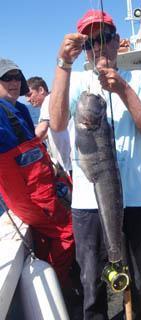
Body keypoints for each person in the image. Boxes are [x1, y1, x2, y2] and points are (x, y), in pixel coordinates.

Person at [49, 9, 141, 320]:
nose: (98, 47)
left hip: (135, 202)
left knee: (137, 280)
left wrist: (123, 90)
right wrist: (63, 64)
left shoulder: (137, 79)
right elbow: (57, 123)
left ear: (117, 42)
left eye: (104, 39)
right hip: (88, 205)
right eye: (90, 42)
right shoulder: (76, 81)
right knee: (91, 282)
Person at [0, 58, 75, 293]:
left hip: (44, 185)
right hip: (29, 195)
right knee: (68, 230)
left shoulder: (21, 109)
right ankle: (59, 290)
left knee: (48, 235)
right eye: (6, 78)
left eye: (16, 77)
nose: (13, 82)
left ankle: (53, 274)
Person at [26, 76, 71, 173]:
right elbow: (47, 132)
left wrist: (23, 147)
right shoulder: (52, 102)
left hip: (67, 164)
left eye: (29, 94)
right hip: (67, 162)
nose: (27, 100)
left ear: (41, 90)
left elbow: (42, 130)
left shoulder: (49, 101)